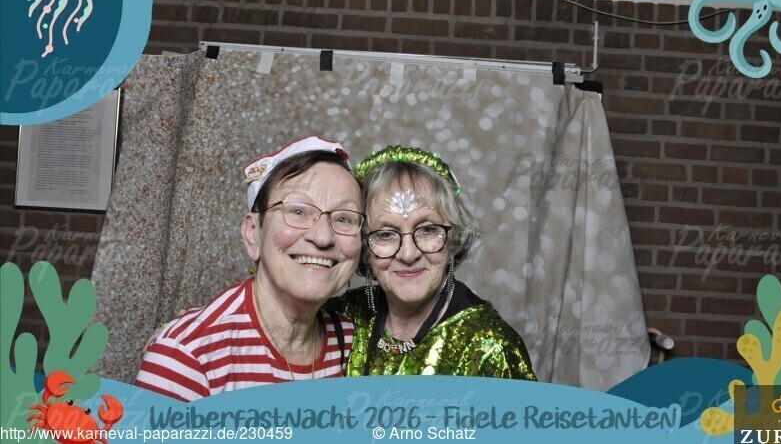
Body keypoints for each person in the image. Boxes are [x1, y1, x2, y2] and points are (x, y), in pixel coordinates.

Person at [135, 137, 364, 401]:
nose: (323, 237)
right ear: (253, 234)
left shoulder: (356, 343)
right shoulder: (188, 358)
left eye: (344, 218)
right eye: (298, 211)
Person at [336, 146, 536, 379]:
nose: (408, 254)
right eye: (386, 234)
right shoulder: (340, 320)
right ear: (363, 248)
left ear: (454, 238)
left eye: (428, 230)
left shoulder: (491, 347)